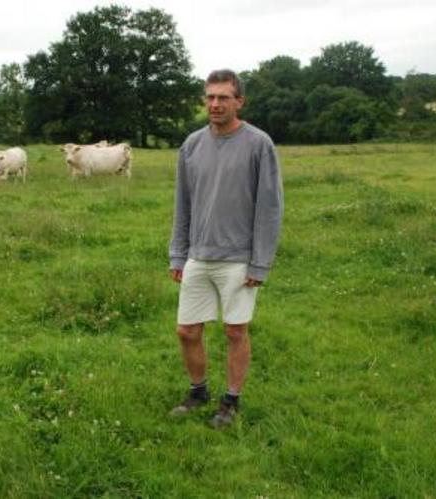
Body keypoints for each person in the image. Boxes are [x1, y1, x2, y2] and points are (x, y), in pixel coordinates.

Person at [168, 69, 284, 429]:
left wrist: (260, 263)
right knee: (187, 331)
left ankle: (231, 400)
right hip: (198, 256)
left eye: (223, 97)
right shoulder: (191, 145)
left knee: (235, 332)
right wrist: (178, 253)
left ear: (239, 101)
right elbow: (182, 204)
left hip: (239, 258)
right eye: (210, 97)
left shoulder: (258, 144)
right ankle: (198, 391)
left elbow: (269, 207)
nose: (215, 104)